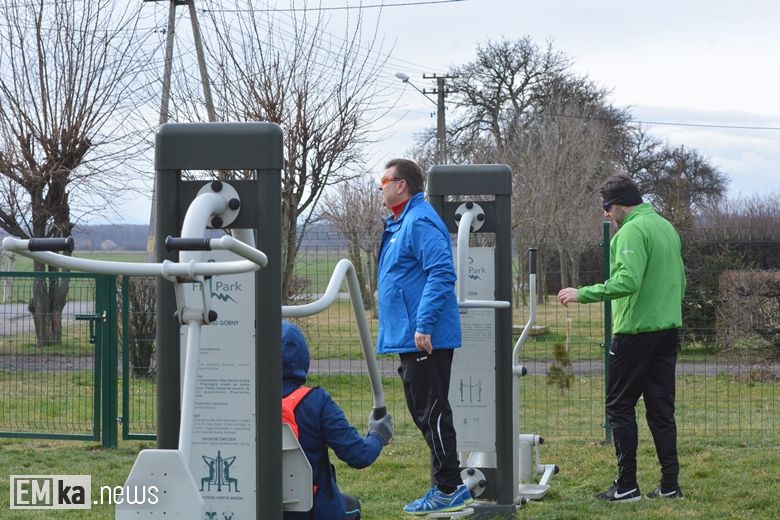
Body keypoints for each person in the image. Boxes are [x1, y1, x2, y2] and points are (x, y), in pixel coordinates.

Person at [557, 174, 686, 502]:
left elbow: (627, 281)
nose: (606, 215)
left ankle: (626, 484)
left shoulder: (631, 231)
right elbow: (680, 281)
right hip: (668, 329)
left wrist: (581, 294)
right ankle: (670, 485)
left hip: (635, 332)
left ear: (620, 205)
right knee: (660, 410)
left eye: (608, 208)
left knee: (619, 406)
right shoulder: (665, 227)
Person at [375, 158, 472, 515]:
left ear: (402, 185)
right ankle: (445, 486)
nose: (380, 185)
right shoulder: (402, 222)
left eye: (385, 179)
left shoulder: (419, 220)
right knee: (426, 413)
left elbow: (442, 272)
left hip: (424, 338)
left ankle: (450, 488)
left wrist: (424, 325)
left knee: (431, 413)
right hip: (410, 336)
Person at [281, 321, 393, 519]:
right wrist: (378, 434)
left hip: (255, 508)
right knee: (352, 505)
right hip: (315, 512)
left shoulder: (243, 401)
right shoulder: (316, 402)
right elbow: (360, 456)